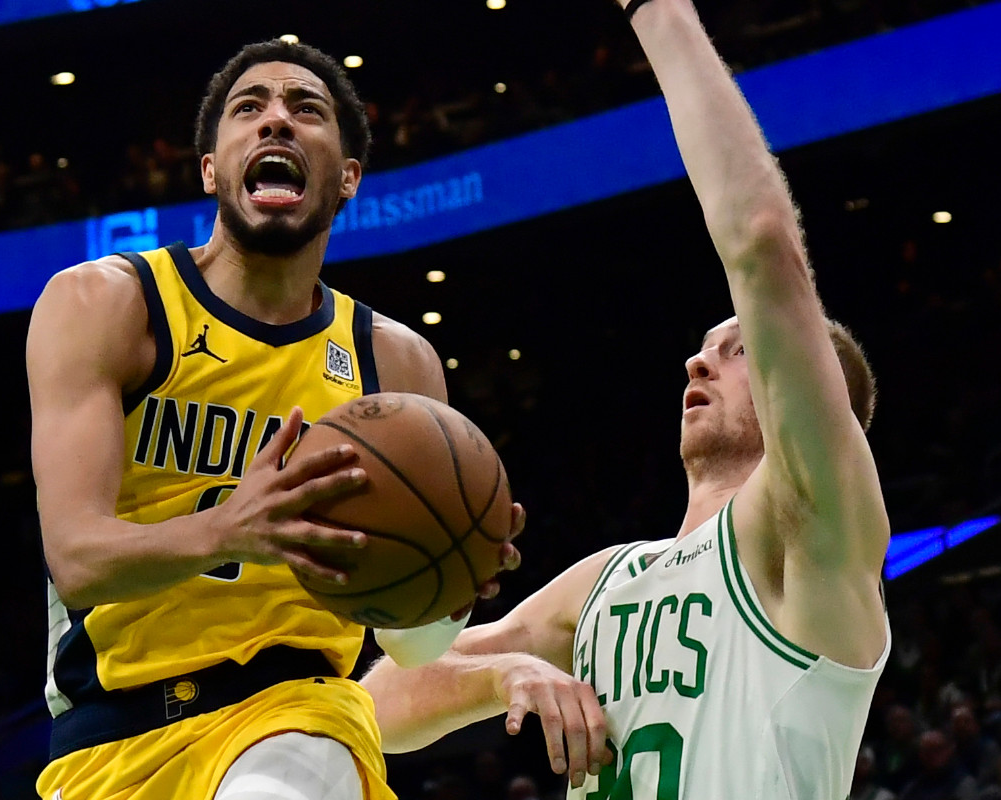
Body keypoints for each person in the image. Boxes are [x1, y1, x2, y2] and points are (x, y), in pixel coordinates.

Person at [361, 0, 891, 796]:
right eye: (702, 349)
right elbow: (375, 705)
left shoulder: (811, 538)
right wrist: (503, 675)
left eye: (737, 349)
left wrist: (659, 12)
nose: (697, 363)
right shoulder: (609, 580)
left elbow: (759, 240)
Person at [26, 40, 520, 800]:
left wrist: (448, 586)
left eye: (306, 110)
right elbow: (78, 558)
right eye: (249, 108)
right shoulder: (110, 304)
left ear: (349, 176)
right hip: (108, 744)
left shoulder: (395, 362)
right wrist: (233, 528)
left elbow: (408, 647)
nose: (277, 122)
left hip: (298, 721)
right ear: (211, 169)